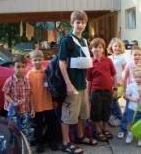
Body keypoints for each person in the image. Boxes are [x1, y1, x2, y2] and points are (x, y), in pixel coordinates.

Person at [59, 10, 97, 154]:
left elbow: (85, 63)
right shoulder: (66, 41)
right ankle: (65, 142)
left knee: (82, 113)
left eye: (83, 23)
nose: (80, 25)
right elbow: (62, 63)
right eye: (78, 22)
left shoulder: (84, 41)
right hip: (72, 84)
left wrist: (87, 82)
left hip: (82, 84)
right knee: (68, 114)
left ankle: (80, 137)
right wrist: (68, 84)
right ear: (72, 23)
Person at [26, 50, 58, 153]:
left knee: (52, 124)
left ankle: (52, 141)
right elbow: (28, 91)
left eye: (39, 59)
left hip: (48, 103)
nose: (37, 62)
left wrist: (54, 100)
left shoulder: (47, 71)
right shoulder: (29, 74)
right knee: (38, 126)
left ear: (43, 60)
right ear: (31, 61)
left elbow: (52, 87)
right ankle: (39, 143)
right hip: (36, 104)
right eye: (35, 60)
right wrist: (30, 106)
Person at [87, 38, 118, 142]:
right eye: (95, 47)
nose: (97, 49)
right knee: (96, 112)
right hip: (95, 92)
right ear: (91, 49)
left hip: (108, 91)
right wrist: (88, 95)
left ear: (103, 49)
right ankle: (98, 130)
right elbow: (89, 81)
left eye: (100, 47)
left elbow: (114, 74)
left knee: (106, 111)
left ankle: (105, 129)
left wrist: (115, 88)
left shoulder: (108, 61)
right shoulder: (90, 63)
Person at [117, 46, 141, 139]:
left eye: (139, 54)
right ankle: (123, 129)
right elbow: (124, 78)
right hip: (131, 92)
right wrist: (124, 92)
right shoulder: (129, 64)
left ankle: (140, 130)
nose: (137, 56)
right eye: (135, 54)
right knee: (128, 112)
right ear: (131, 56)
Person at [2, 55, 35, 141]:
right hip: (14, 111)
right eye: (18, 67)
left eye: (23, 67)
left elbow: (30, 95)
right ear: (13, 67)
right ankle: (15, 146)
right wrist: (13, 103)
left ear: (26, 67)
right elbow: (6, 94)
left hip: (25, 110)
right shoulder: (10, 81)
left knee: (26, 129)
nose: (21, 69)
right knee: (14, 129)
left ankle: (25, 146)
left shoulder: (28, 81)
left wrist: (32, 108)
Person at [124, 67, 141, 146]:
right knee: (130, 122)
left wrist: (140, 91)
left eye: (140, 77)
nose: (138, 79)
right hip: (132, 108)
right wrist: (133, 99)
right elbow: (126, 96)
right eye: (136, 77)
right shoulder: (131, 85)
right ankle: (130, 133)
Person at [107, 38, 127, 127]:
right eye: (115, 46)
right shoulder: (109, 58)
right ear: (111, 47)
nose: (117, 48)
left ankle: (120, 118)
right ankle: (112, 118)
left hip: (118, 83)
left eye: (119, 46)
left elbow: (126, 71)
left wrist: (122, 81)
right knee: (110, 101)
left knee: (113, 100)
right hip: (109, 83)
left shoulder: (122, 58)